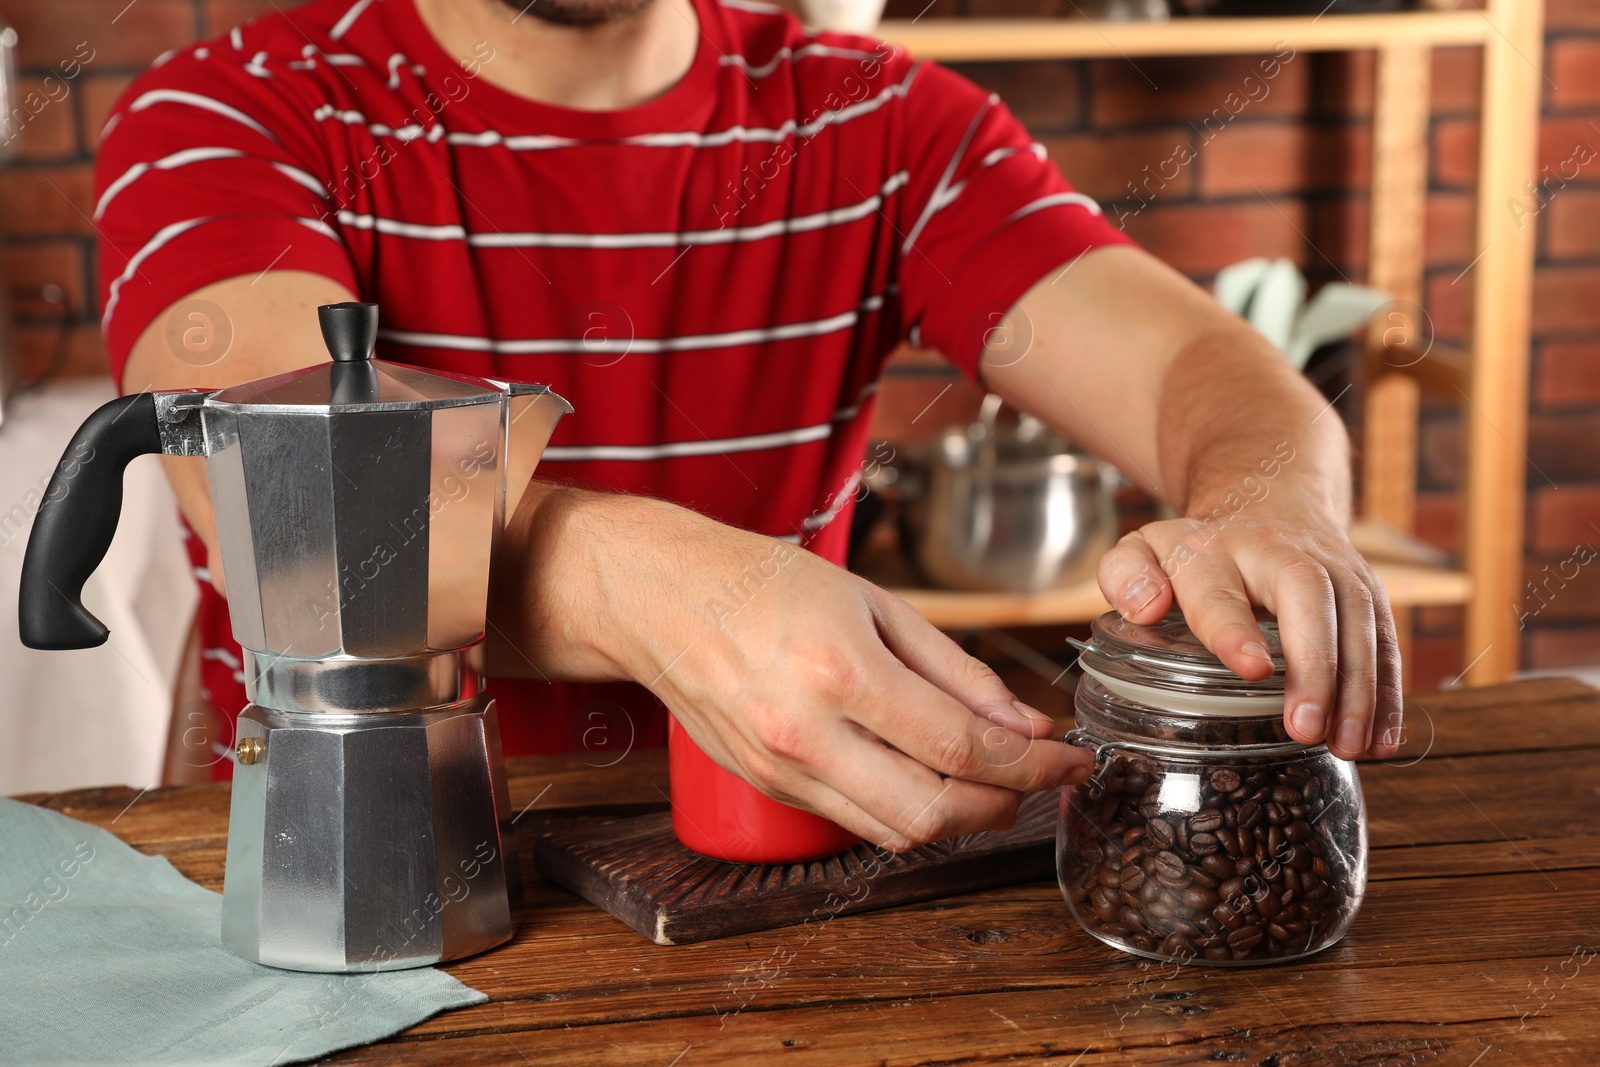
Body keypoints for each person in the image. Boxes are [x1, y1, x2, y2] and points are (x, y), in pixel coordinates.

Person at [97, 0, 1401, 853]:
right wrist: (653, 586)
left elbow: (1203, 370)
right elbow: (296, 505)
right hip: (345, 893)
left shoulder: (888, 125)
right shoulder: (226, 112)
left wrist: (1270, 503)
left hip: (767, 907)